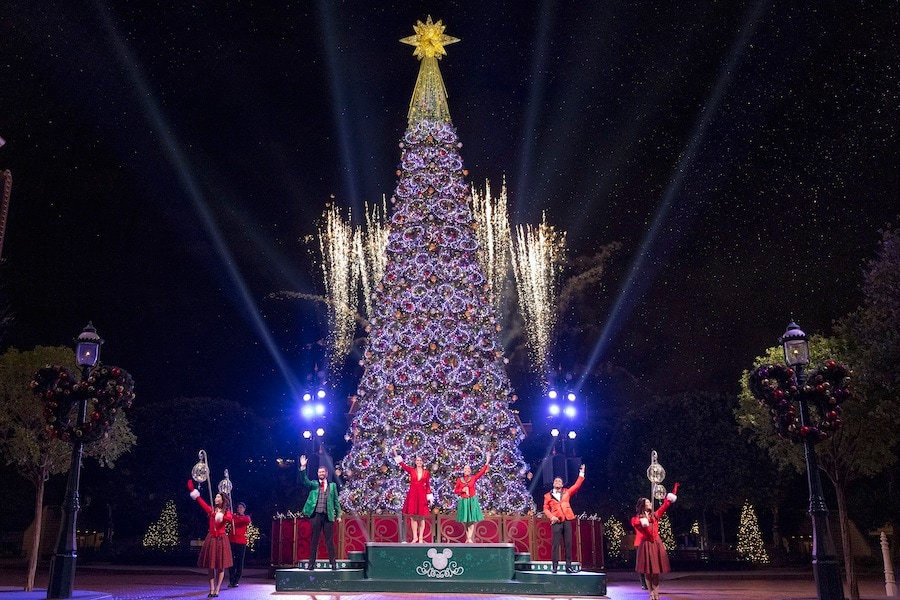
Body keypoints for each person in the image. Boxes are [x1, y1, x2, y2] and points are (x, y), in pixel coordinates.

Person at [632, 482, 680, 600]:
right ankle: (651, 594)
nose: (650, 503)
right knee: (648, 572)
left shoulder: (655, 515)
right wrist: (645, 523)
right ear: (643, 505)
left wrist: (673, 492)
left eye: (650, 501)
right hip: (646, 544)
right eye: (648, 502)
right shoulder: (638, 519)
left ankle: (657, 594)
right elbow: (639, 527)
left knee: (656, 571)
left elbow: (666, 505)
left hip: (656, 543)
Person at [188, 480, 233, 598]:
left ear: (222, 500)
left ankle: (218, 589)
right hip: (212, 538)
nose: (216, 498)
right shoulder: (211, 509)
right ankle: (211, 589)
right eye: (216, 496)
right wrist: (193, 491)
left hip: (222, 539)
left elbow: (228, 518)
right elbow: (200, 501)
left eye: (218, 497)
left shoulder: (226, 511)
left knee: (221, 566)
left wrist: (219, 516)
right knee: (211, 565)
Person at [298, 455, 342, 570]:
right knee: (314, 540)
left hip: (328, 516)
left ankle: (333, 564)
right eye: (319, 472)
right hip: (316, 514)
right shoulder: (314, 484)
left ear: (326, 473)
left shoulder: (332, 486)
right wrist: (303, 467)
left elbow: (336, 501)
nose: (321, 473)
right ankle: (311, 564)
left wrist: (338, 515)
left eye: (323, 472)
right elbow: (304, 481)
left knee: (329, 541)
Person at [542, 464, 585, 574]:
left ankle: (568, 566)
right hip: (556, 521)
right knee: (556, 544)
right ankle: (554, 567)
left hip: (567, 519)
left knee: (568, 543)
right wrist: (552, 517)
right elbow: (545, 508)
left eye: (559, 481)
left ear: (562, 484)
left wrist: (581, 473)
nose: (557, 482)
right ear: (553, 483)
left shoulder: (566, 492)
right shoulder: (548, 495)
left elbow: (576, 485)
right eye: (555, 481)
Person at [393, 449, 433, 543]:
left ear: (422, 462)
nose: (419, 462)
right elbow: (401, 464)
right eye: (417, 460)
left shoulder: (426, 473)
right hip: (413, 495)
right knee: (413, 517)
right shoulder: (411, 470)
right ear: (415, 462)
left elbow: (427, 485)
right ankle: (415, 537)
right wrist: (394, 451)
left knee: (421, 517)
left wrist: (429, 497)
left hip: (422, 495)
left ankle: (421, 538)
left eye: (420, 460)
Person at [453, 452, 491, 543]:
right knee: (466, 520)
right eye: (465, 468)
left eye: (468, 468)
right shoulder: (459, 480)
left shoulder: (473, 478)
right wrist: (462, 490)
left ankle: (469, 538)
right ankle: (468, 537)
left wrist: (487, 462)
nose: (467, 470)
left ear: (470, 470)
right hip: (464, 501)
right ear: (463, 470)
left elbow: (481, 473)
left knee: (471, 520)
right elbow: (455, 491)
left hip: (471, 500)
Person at [227, 501, 251, 588]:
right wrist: (233, 517)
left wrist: (235, 518)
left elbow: (246, 520)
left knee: (239, 562)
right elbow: (228, 518)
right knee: (231, 562)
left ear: (244, 509)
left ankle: (236, 580)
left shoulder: (246, 517)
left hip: (241, 542)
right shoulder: (233, 517)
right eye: (238, 507)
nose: (239, 509)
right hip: (232, 541)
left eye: (241, 508)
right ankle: (231, 580)